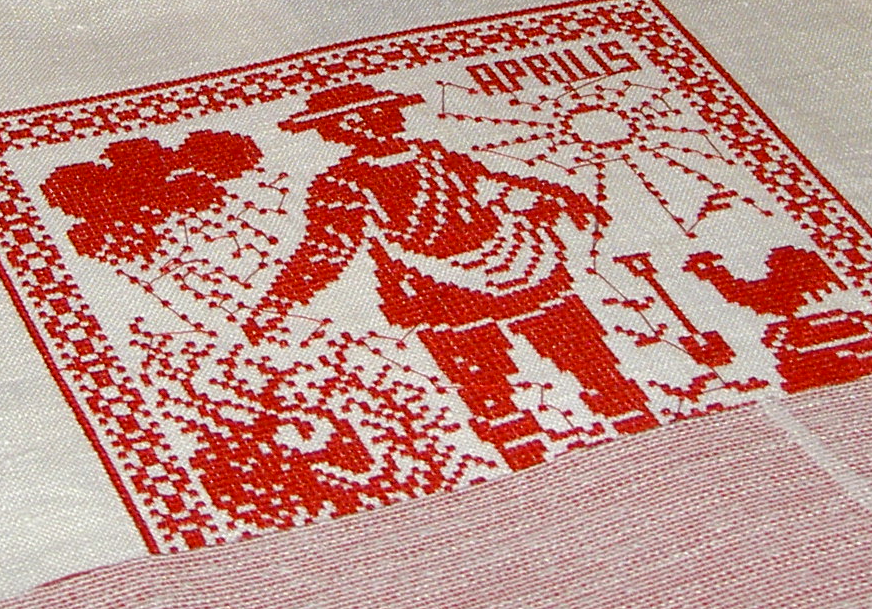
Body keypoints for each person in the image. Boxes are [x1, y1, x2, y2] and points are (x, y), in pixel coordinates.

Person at [243, 82, 656, 470]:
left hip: (505, 268)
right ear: (340, 131)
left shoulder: (434, 158)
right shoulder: (346, 183)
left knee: (580, 355)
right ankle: (523, 458)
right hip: (445, 287)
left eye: (379, 113)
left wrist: (555, 198)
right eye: (358, 119)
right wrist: (281, 300)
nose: (374, 124)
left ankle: (636, 431)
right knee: (487, 383)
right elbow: (327, 249)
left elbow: (494, 186)